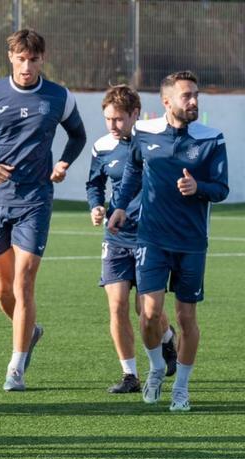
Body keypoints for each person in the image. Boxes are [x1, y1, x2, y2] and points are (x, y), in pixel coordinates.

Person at [0, 29, 87, 391]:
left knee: (23, 283)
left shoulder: (58, 96)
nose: (26, 65)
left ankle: (16, 367)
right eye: (20, 58)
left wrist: (65, 163)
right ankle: (30, 331)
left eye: (33, 59)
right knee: (2, 290)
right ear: (11, 57)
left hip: (35, 200)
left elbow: (78, 135)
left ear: (42, 60)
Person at [108, 70, 228, 411]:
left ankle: (182, 388)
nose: (193, 101)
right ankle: (158, 367)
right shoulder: (144, 133)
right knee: (149, 314)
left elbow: (221, 189)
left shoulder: (211, 139)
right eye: (186, 96)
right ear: (166, 102)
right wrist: (118, 207)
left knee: (186, 318)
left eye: (195, 95)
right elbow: (132, 172)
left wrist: (198, 188)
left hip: (191, 242)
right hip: (152, 239)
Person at [86, 85, 178, 394]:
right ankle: (130, 375)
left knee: (146, 312)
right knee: (117, 306)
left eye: (119, 119)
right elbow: (94, 182)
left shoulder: (152, 143)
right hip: (115, 238)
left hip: (150, 239)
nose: (112, 125)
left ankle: (167, 339)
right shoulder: (101, 146)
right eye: (108, 119)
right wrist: (96, 205)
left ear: (135, 115)